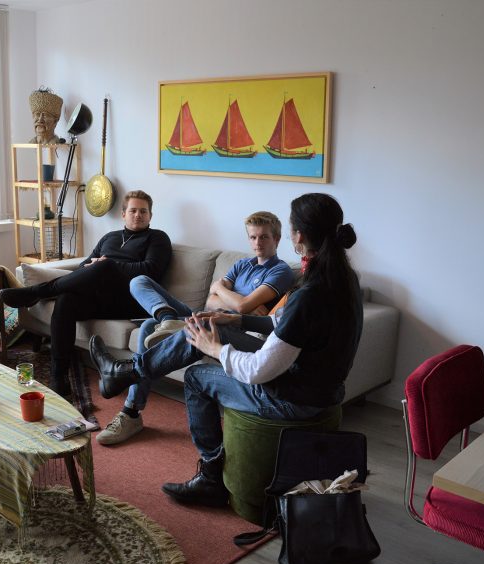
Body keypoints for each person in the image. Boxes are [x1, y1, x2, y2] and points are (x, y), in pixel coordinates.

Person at [90, 193, 362, 507]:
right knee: (208, 325)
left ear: (297, 236)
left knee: (196, 377)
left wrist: (216, 349)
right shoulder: (343, 280)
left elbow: (259, 371)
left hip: (293, 399)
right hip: (317, 386)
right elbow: (284, 324)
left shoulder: (309, 291)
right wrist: (237, 319)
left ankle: (210, 476)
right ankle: (125, 372)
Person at [96, 211, 295, 446]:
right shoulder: (243, 264)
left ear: (277, 239)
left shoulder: (280, 271)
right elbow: (213, 300)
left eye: (264, 237)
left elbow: (241, 307)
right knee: (139, 282)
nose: (257, 243)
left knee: (149, 326)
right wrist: (231, 297)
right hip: (205, 315)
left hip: (230, 329)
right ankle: (167, 317)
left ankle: (130, 411)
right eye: (253, 237)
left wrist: (225, 292)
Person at [1, 191, 172, 427]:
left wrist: (109, 265)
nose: (138, 215)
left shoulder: (158, 238)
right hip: (100, 297)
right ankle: (59, 377)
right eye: (133, 210)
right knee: (66, 301)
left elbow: (150, 271)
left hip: (130, 301)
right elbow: (83, 268)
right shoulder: (110, 237)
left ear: (150, 215)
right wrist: (97, 266)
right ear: (123, 214)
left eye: (143, 211)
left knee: (105, 266)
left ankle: (37, 292)